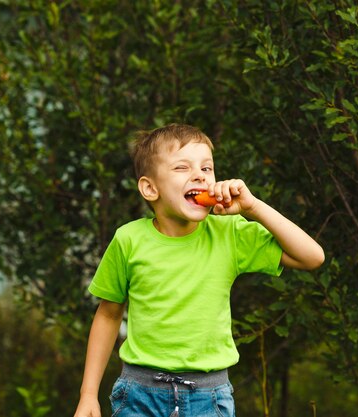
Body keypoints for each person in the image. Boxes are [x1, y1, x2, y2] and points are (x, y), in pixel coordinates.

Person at [73, 123, 324, 417]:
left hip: (208, 397)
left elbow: (312, 257)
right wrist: (88, 394)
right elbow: (108, 314)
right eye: (182, 167)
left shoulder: (228, 233)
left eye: (207, 168)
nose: (199, 176)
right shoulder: (128, 240)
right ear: (150, 188)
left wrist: (252, 207)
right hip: (139, 393)